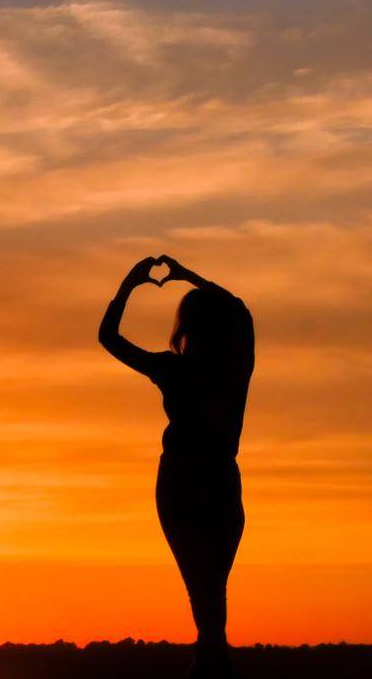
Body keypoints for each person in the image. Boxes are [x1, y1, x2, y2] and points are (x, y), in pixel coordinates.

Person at [98, 255, 253, 678]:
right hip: (216, 479)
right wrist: (193, 277)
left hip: (185, 481)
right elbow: (240, 308)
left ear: (185, 326)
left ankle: (208, 662)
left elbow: (109, 337)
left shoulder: (175, 369)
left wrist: (130, 284)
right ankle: (211, 661)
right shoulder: (236, 367)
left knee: (203, 588)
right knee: (210, 587)